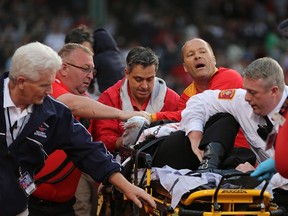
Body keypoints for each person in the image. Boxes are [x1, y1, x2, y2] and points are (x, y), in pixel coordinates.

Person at [0, 41, 156, 216]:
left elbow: (87, 149)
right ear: (21, 82)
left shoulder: (53, 112)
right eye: (45, 85)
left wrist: (126, 185)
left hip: (19, 207)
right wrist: (121, 114)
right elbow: (74, 104)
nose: (50, 90)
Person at [180, 57, 288, 212]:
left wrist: (252, 175)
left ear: (274, 91)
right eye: (246, 90)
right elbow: (200, 101)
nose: (246, 97)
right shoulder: (243, 102)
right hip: (268, 194)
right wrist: (195, 135)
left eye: (253, 92)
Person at [148, 38, 252, 170]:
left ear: (214, 60)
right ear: (185, 67)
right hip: (200, 152)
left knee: (222, 117)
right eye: (191, 55)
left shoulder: (229, 76)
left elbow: (206, 108)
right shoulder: (187, 94)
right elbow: (182, 119)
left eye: (202, 52)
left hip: (237, 152)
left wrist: (151, 117)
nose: (197, 56)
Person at [91, 46, 180, 153]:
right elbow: (101, 139)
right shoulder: (109, 98)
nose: (145, 86)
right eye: (139, 79)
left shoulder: (171, 98)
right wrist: (126, 141)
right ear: (127, 73)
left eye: (150, 79)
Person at [92, 27, 125, 93]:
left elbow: (90, 77)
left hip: (108, 92)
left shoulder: (98, 58)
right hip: (122, 89)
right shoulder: (117, 55)